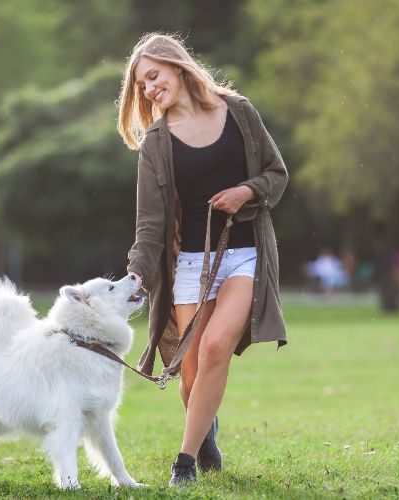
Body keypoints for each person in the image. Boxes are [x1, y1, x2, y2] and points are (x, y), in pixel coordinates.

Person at [117, 33, 288, 486]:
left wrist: (247, 191)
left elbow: (277, 173)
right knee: (189, 376)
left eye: (154, 76)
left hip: (244, 255)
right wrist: (137, 269)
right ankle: (205, 431)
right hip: (190, 264)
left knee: (216, 348)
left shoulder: (239, 112)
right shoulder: (156, 142)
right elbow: (150, 223)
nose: (151, 89)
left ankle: (185, 463)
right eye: (142, 85)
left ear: (176, 66)